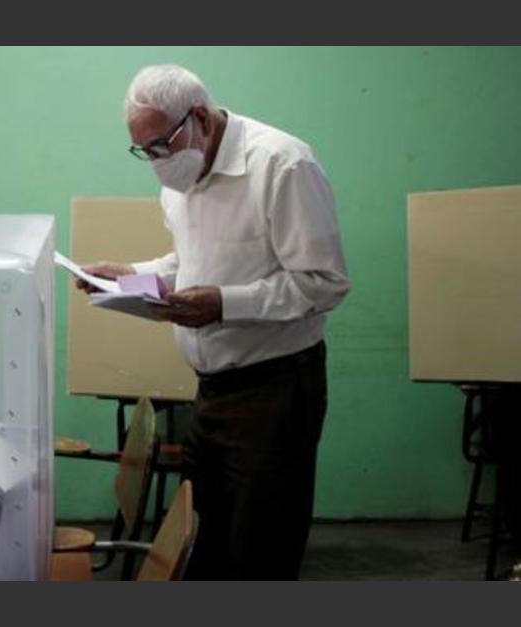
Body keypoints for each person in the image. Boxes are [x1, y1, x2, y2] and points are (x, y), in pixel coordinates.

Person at [76, 64, 351, 580]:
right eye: (144, 151)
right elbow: (190, 264)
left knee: (260, 554)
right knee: (206, 550)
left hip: (276, 390)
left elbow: (324, 282)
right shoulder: (179, 180)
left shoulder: (281, 165)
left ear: (199, 116)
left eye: (162, 145)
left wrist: (223, 304)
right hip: (211, 392)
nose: (157, 163)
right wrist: (130, 275)